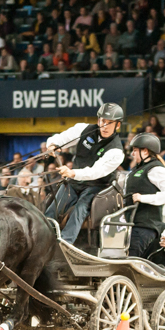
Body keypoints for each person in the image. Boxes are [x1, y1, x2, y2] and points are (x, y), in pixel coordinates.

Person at [43, 103, 126, 244]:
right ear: (98, 120)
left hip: (96, 186)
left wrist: (72, 173)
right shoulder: (83, 129)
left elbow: (95, 171)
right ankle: (42, 237)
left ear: (117, 125)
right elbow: (63, 137)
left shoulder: (117, 151)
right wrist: (52, 144)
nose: (104, 126)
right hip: (74, 181)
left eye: (110, 123)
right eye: (102, 121)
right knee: (53, 209)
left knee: (80, 210)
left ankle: (65, 243)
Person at [122, 132, 165, 259]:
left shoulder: (156, 169)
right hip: (132, 225)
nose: (132, 154)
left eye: (135, 150)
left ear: (145, 151)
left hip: (145, 226)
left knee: (129, 261)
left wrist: (143, 198)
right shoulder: (137, 169)